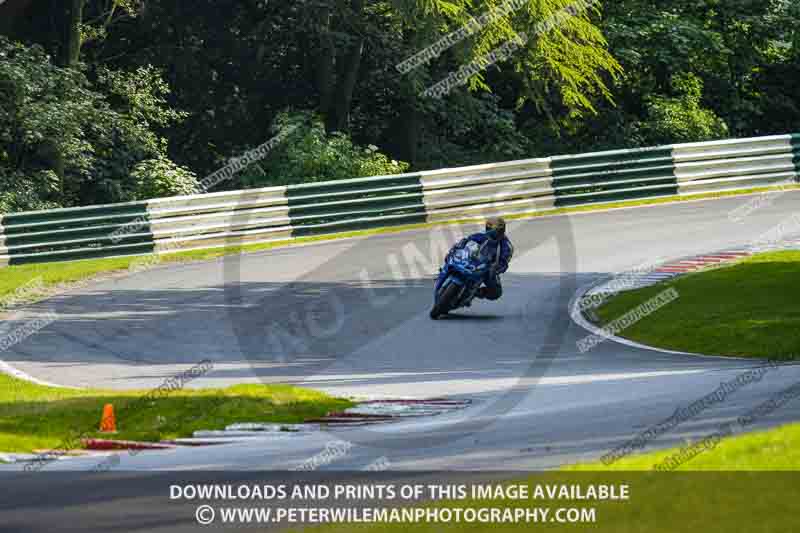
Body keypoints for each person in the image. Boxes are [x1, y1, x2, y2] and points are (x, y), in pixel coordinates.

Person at [440, 216, 514, 301]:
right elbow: (466, 241)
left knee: (496, 292)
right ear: (487, 228)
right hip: (472, 260)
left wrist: (495, 269)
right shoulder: (481, 235)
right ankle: (444, 272)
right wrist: (457, 247)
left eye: (497, 232)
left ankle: (475, 292)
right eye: (491, 230)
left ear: (502, 231)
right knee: (450, 256)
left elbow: (504, 263)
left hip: (488, 269)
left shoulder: (506, 246)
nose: (494, 234)